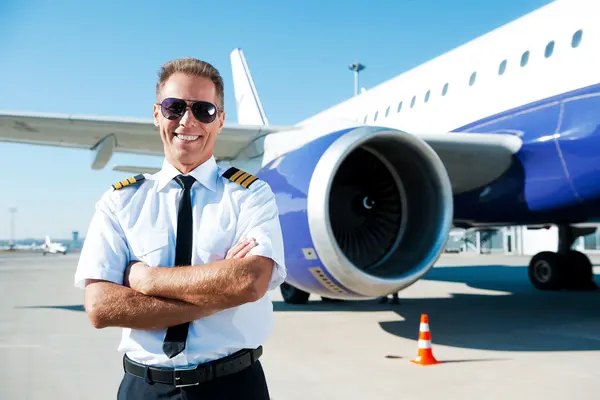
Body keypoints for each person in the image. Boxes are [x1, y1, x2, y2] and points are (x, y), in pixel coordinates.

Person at [74, 57, 286, 400]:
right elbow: (100, 307)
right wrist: (217, 296)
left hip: (233, 386)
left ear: (220, 121)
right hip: (144, 387)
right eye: (174, 107)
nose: (187, 120)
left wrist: (147, 280)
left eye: (203, 110)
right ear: (157, 113)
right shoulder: (120, 202)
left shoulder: (251, 195)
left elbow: (249, 282)